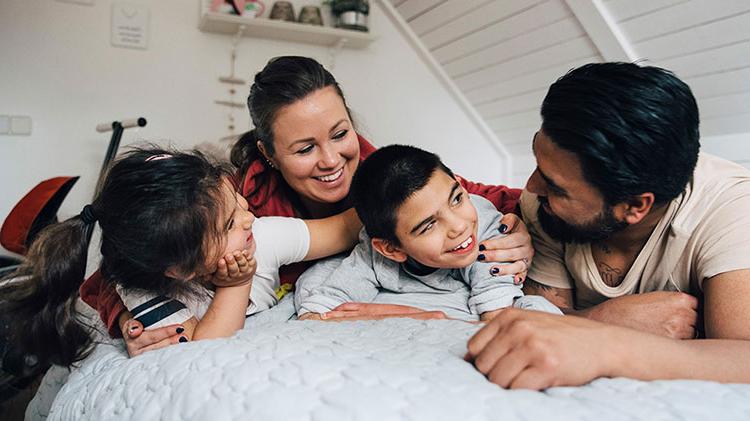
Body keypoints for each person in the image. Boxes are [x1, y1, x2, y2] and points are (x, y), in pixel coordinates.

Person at [79, 56, 535, 356]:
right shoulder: (238, 204)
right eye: (304, 149)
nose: (332, 160)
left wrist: (522, 229)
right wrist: (132, 321)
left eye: (340, 134)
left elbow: (495, 198)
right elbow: (121, 263)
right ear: (269, 155)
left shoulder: (387, 178)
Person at [465, 62, 750, 389]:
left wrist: (610, 345)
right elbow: (540, 316)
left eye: (557, 188)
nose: (530, 187)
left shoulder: (733, 211)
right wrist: (604, 319)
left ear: (634, 206)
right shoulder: (543, 207)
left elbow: (743, 355)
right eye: (537, 163)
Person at [0, 148, 362, 366]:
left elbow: (343, 230)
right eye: (230, 223)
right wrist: (236, 284)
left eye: (240, 202)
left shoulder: (259, 235)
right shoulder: (141, 293)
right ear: (181, 269)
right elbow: (202, 349)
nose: (249, 217)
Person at [295, 145, 561, 321]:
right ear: (391, 249)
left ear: (459, 184)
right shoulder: (374, 256)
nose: (458, 226)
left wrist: (413, 315)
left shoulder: (486, 228)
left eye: (456, 199)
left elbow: (497, 319)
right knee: (316, 276)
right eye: (429, 225)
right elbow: (318, 312)